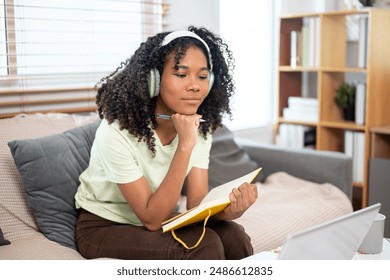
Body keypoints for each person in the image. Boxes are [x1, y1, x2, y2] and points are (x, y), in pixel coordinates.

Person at [74, 26, 258, 260]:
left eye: (202, 76)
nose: (195, 85)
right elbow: (152, 220)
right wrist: (185, 145)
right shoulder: (115, 132)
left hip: (158, 218)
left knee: (234, 236)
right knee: (204, 245)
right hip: (104, 227)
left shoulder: (199, 127)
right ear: (154, 80)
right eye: (181, 74)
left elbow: (196, 205)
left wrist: (228, 212)